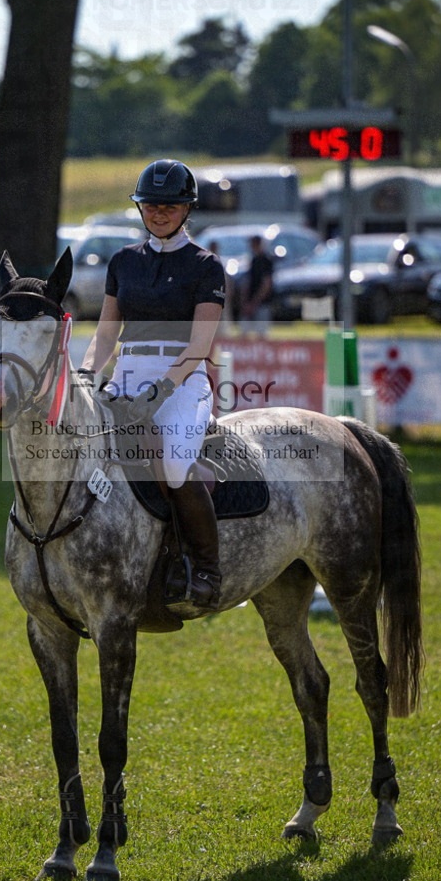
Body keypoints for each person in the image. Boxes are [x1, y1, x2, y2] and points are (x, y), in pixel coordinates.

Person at [79, 159, 226, 609]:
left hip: (183, 381)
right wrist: (86, 376)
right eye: (150, 205)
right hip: (127, 374)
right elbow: (106, 334)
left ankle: (205, 566)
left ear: (187, 209)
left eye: (170, 205)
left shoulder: (206, 266)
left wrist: (161, 391)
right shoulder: (123, 262)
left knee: (174, 465)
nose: (159, 213)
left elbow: (200, 344)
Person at [240, 234, 274, 336]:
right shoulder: (254, 260)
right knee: (244, 331)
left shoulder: (266, 261)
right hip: (250, 302)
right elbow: (248, 282)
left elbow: (266, 284)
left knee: (261, 333)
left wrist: (255, 302)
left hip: (262, 303)